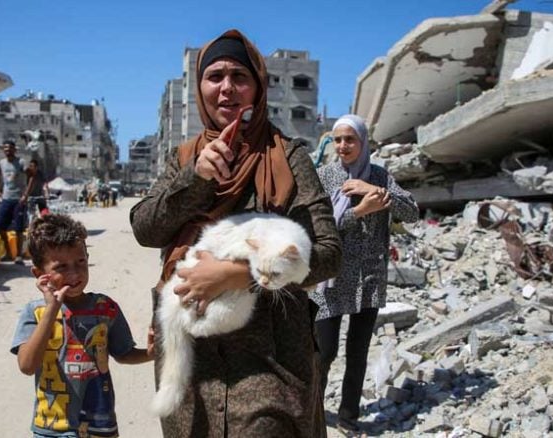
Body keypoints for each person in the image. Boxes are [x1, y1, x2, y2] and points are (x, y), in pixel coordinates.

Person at [130, 29, 341, 437]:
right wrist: (196, 179)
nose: (227, 87)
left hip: (270, 362)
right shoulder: (184, 158)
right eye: (215, 76)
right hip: (192, 365)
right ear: (200, 88)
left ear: (257, 88)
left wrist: (238, 274)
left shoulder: (288, 158)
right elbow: (146, 228)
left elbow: (329, 253)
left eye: (239, 76)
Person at [310, 114, 419, 434]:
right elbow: (318, 229)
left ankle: (348, 418)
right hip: (330, 278)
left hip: (368, 279)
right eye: (338, 140)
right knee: (324, 352)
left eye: (350, 139)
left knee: (357, 353)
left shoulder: (379, 176)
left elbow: (412, 212)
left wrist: (374, 190)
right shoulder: (324, 176)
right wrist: (359, 211)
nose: (343, 146)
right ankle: (311, 414)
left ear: (363, 142)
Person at [10, 214, 154, 437]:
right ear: (39, 274)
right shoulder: (36, 312)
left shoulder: (105, 308)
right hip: (53, 427)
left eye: (80, 262)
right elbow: (27, 365)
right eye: (61, 267)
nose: (75, 273)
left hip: (100, 425)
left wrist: (152, 353)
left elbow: (123, 353)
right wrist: (52, 309)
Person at [0, 140, 33, 264]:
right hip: (6, 199)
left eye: (10, 148)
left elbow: (32, 176)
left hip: (19, 200)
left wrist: (26, 194)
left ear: (14, 150)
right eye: (5, 148)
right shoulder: (1, 163)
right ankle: (8, 253)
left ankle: (19, 255)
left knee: (18, 229)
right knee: (1, 228)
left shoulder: (21, 162)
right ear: (3, 150)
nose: (8, 150)